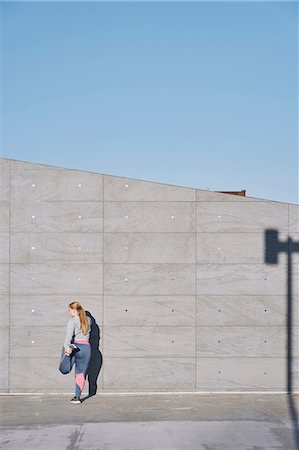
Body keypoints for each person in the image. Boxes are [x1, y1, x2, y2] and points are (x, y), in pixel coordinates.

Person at [58, 301, 92, 404]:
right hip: (86, 348)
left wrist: (66, 349)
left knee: (63, 369)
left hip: (76, 346)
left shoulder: (72, 321)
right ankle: (77, 397)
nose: (69, 312)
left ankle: (68, 355)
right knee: (80, 374)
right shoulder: (89, 320)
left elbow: (68, 338)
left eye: (70, 310)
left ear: (75, 310)